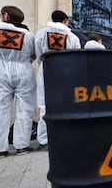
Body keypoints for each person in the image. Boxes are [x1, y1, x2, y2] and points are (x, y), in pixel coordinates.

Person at [35, 10, 81, 151]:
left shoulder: (41, 34)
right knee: (66, 103)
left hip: (47, 66)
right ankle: (66, 136)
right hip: (66, 70)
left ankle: (44, 140)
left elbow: (38, 52)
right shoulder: (72, 37)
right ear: (65, 20)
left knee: (44, 103)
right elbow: (76, 56)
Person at [0, 6, 36, 158]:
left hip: (1, 68)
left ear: (6, 15)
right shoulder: (29, 35)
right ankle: (22, 145)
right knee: (25, 109)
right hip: (24, 69)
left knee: (1, 108)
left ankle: (1, 148)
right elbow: (34, 54)